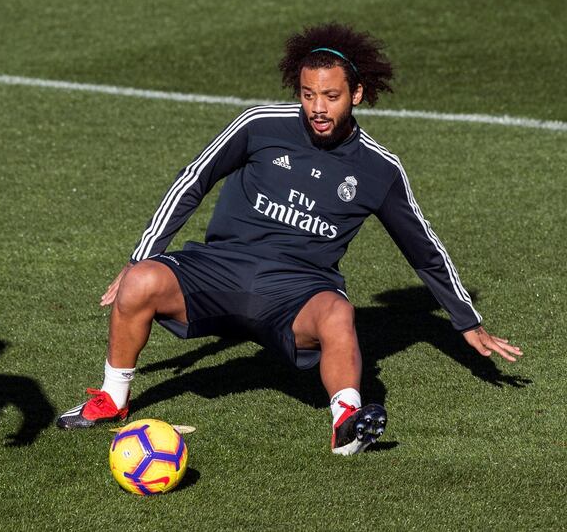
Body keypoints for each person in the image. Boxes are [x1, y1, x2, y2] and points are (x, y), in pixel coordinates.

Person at [56, 23, 522, 455]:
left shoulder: (379, 168)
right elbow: (193, 180)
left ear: (356, 94)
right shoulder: (259, 124)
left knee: (339, 312)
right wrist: (142, 258)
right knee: (140, 281)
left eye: (332, 95)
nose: (318, 107)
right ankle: (112, 399)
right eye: (308, 94)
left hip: (296, 292)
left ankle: (346, 424)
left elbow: (423, 249)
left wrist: (465, 319)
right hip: (220, 270)